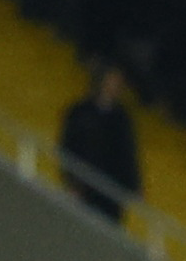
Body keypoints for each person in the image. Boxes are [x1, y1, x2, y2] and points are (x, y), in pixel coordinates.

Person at [59, 66, 141, 222]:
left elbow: (127, 154)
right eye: (113, 81)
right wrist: (71, 180)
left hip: (110, 193)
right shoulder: (80, 112)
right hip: (83, 186)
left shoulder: (122, 119)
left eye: (119, 83)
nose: (116, 86)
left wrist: (133, 185)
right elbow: (68, 146)